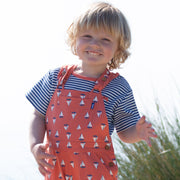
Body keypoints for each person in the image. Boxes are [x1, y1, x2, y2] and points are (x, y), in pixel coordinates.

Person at [26, 2, 157, 179]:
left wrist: (138, 133)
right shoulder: (55, 78)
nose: (95, 44)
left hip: (97, 174)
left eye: (105, 39)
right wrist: (35, 145)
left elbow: (125, 131)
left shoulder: (117, 87)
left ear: (118, 47)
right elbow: (38, 115)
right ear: (75, 38)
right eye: (87, 36)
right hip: (57, 173)